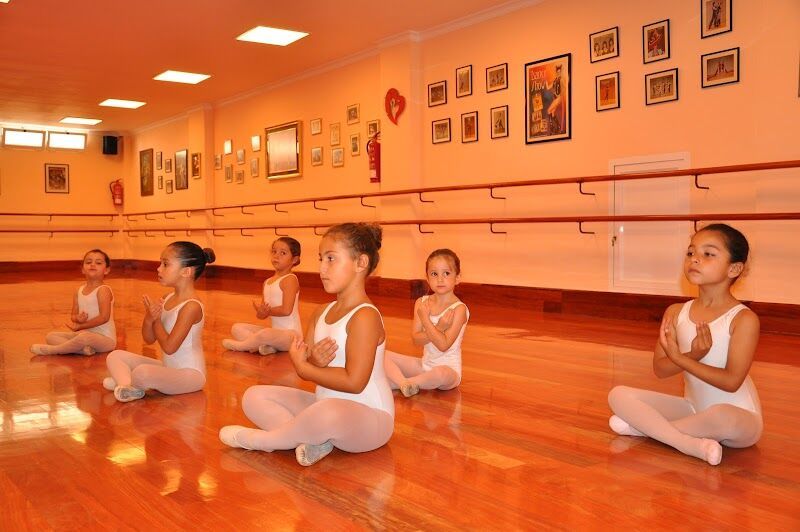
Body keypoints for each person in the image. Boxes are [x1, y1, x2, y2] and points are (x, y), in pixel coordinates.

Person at [219, 223, 393, 466]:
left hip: (370, 419)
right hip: (324, 407)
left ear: (360, 263)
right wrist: (311, 361)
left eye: (331, 258)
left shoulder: (365, 316)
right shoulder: (321, 312)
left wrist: (305, 368)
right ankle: (313, 440)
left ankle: (264, 440)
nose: (321, 268)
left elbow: (354, 382)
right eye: (321, 259)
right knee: (254, 396)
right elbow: (307, 358)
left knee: (327, 413)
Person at [608, 224, 762, 466]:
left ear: (734, 268)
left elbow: (731, 382)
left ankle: (648, 430)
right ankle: (688, 443)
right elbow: (660, 369)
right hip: (693, 409)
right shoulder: (676, 312)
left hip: (738, 419)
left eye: (708, 254)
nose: (695, 259)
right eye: (691, 252)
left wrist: (682, 358)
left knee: (723, 416)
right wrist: (693, 355)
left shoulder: (743, 319)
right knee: (618, 395)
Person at [104, 241, 215, 402]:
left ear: (186, 271)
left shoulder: (192, 306)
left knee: (142, 372)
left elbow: (169, 347)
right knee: (115, 356)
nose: (158, 268)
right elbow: (148, 339)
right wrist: (149, 318)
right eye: (160, 263)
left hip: (191, 376)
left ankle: (126, 382)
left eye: (165, 264)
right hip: (168, 368)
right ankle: (128, 385)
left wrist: (156, 321)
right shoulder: (167, 298)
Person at [384, 249, 469, 397]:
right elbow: (416, 340)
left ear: (457, 278)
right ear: (427, 278)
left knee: (440, 374)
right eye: (434, 274)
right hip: (424, 365)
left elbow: (443, 345)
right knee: (382, 354)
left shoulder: (459, 309)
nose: (440, 279)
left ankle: (398, 383)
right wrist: (439, 327)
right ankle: (405, 384)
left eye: (446, 273)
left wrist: (426, 320)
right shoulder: (421, 303)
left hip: (449, 371)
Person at [221, 237, 302, 355]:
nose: (276, 256)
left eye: (283, 253)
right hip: (275, 333)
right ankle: (268, 347)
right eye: (274, 251)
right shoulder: (267, 282)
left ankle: (241, 346)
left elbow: (286, 310)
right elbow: (262, 315)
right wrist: (260, 312)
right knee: (237, 328)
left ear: (294, 259)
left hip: (292, 336)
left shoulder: (290, 279)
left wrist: (267, 312)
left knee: (265, 334)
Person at [30, 249, 116, 356]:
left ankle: (52, 350)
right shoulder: (78, 290)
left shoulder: (103, 290)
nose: (92, 265)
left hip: (105, 339)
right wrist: (77, 319)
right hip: (85, 335)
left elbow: (104, 317)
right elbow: (73, 316)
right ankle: (82, 350)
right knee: (51, 336)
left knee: (84, 337)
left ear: (106, 270)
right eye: (88, 262)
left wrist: (82, 326)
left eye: (98, 263)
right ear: (83, 269)